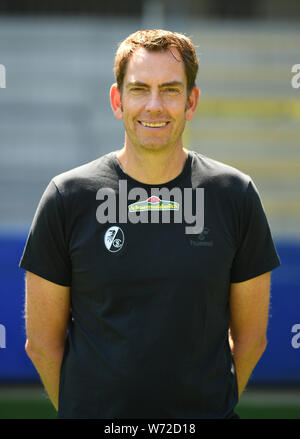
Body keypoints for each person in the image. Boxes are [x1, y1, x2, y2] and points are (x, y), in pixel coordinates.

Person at [20, 29, 280, 419]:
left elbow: (252, 339)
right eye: (140, 88)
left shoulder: (235, 195)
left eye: (171, 90)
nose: (154, 106)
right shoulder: (66, 197)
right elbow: (41, 343)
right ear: (117, 100)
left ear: (191, 102)